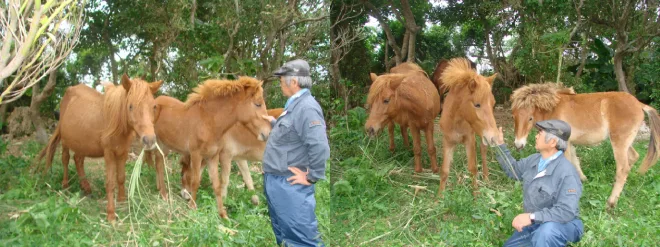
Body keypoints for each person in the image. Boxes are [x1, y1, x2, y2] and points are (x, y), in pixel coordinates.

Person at [261, 59, 330, 247]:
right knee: (284, 234)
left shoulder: (307, 107)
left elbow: (319, 145)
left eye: (282, 79)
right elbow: (293, 135)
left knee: (301, 239)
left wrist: (312, 177)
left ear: (294, 82)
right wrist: (274, 124)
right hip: (278, 181)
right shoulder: (294, 106)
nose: (280, 83)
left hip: (289, 184)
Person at [494, 119, 584, 247]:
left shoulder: (567, 172)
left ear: (552, 142)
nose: (536, 136)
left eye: (540, 133)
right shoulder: (534, 160)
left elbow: (566, 212)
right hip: (535, 225)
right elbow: (513, 170)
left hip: (564, 225)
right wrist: (499, 145)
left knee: (546, 233)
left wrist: (531, 217)